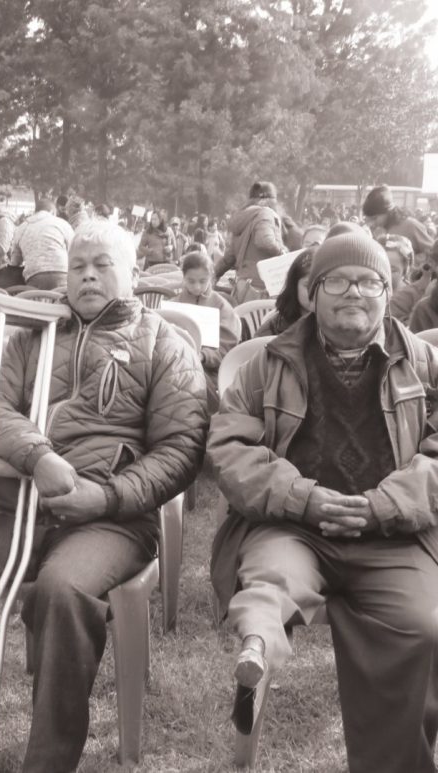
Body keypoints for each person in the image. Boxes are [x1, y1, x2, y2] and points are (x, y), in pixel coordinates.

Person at [0, 220, 208, 773]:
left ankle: (48, 762)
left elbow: (180, 451)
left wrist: (103, 498)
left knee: (62, 589)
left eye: (102, 265)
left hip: (114, 518)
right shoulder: (29, 337)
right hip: (24, 504)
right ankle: (53, 653)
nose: (86, 275)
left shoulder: (164, 344)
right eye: (78, 264)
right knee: (11, 582)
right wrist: (39, 457)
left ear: (131, 274)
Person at [209, 232, 438, 773]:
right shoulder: (268, 363)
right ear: (312, 293)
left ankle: (392, 764)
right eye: (336, 280)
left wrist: (385, 504)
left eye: (368, 281)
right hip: (296, 525)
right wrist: (303, 499)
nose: (352, 292)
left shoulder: (426, 365)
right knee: (271, 576)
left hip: (389, 532)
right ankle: (257, 648)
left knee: (423, 625)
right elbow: (229, 447)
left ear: (390, 289)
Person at [174, 250, 240, 395]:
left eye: (202, 281)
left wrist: (204, 356)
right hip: (175, 366)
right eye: (191, 281)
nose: (197, 286)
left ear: (211, 278)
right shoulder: (173, 304)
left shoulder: (221, 307)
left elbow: (227, 349)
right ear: (184, 277)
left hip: (209, 371)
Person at [215, 182, 288, 303]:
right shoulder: (266, 213)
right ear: (271, 200)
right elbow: (264, 241)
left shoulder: (244, 218)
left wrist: (214, 274)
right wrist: (282, 252)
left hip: (243, 285)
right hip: (262, 288)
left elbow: (229, 257)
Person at [9, 198, 75, 291]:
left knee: (38, 303)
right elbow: (74, 250)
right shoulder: (62, 223)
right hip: (62, 273)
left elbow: (15, 262)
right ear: (52, 211)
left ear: (36, 211)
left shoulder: (21, 228)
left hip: (34, 276)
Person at [362, 184, 435, 261]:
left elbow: (433, 254)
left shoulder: (411, 226)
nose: (371, 224)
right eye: (368, 219)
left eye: (374, 218)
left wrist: (409, 261)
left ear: (388, 212)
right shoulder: (374, 231)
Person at [254, 250, 314, 336]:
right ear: (294, 286)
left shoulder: (336, 326)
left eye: (323, 284)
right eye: (308, 285)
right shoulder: (271, 333)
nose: (316, 291)